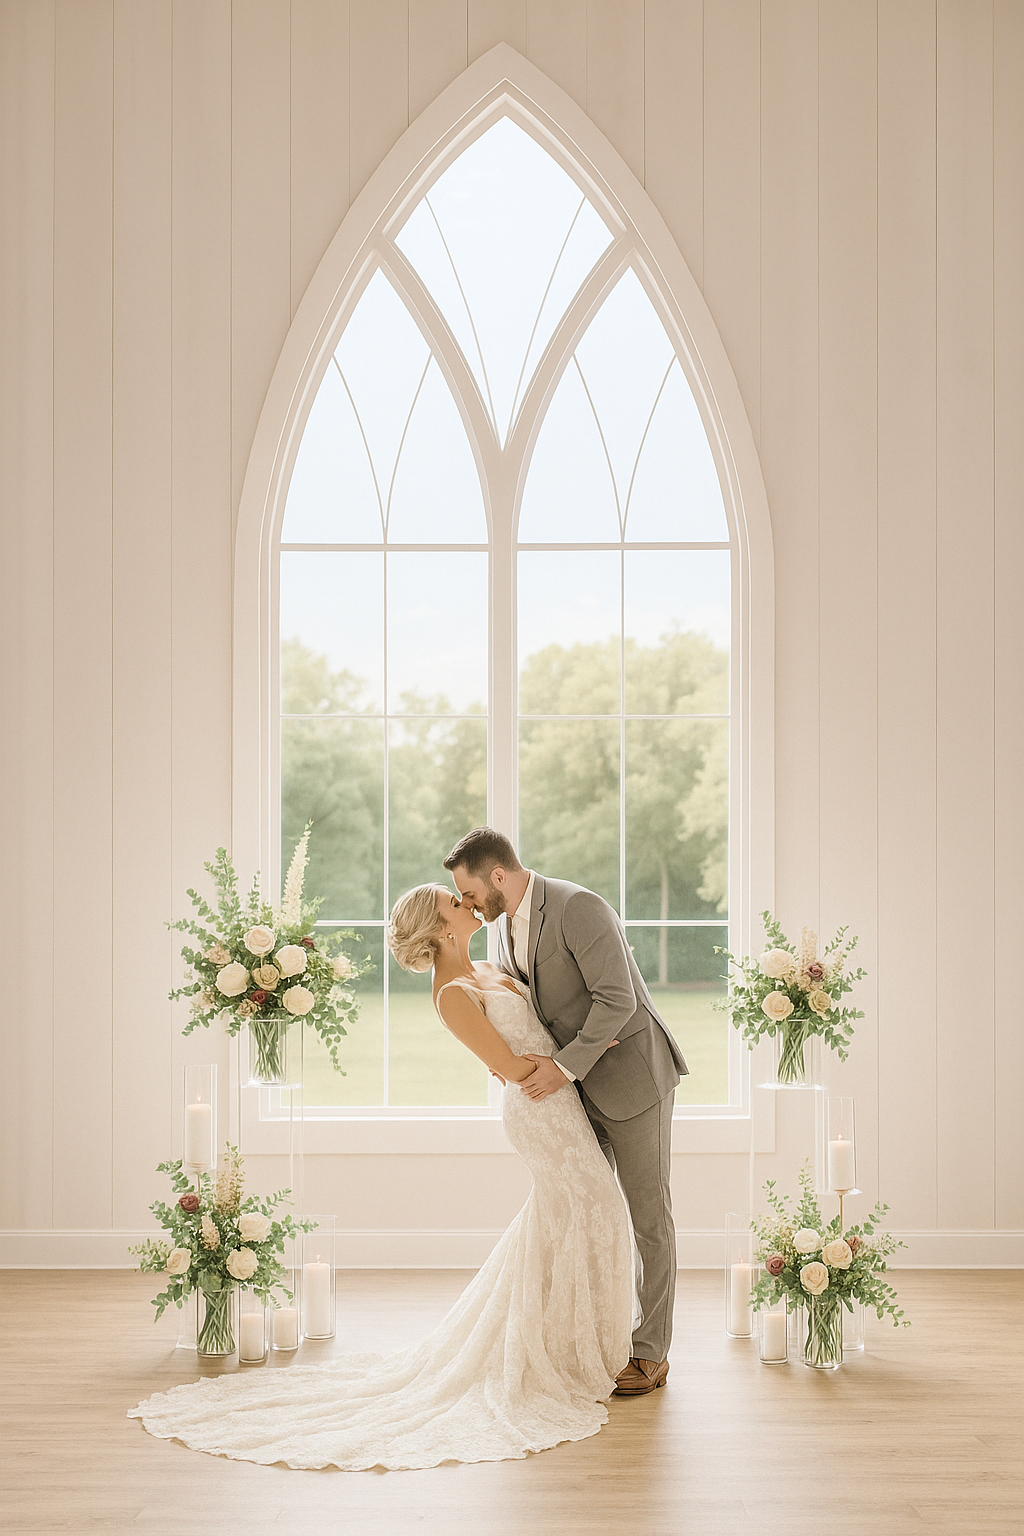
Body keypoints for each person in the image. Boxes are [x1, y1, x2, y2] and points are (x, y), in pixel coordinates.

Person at [129, 881, 634, 1471]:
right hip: (539, 1111)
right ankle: (567, 1355)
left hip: (558, 1100)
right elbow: (505, 1065)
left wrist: (584, 1048)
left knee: (580, 1215)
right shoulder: (452, 993)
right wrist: (574, 1061)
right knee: (588, 1210)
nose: (467, 904)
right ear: (440, 927)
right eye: (454, 901)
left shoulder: (494, 966)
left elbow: (545, 1028)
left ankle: (574, 1346)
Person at [444, 827, 687, 1397]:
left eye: (471, 892)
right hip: (575, 1093)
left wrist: (562, 1068)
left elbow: (617, 999)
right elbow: (537, 1007)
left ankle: (651, 1352)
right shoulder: (505, 925)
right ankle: (596, 1338)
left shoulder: (580, 907)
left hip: (633, 1081)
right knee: (592, 1214)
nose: (469, 905)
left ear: (497, 876)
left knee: (648, 1217)